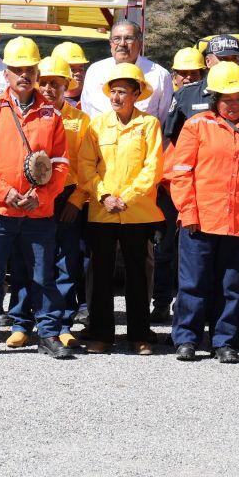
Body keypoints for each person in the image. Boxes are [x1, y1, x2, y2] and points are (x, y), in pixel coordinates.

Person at [169, 61, 239, 364]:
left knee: (232, 286)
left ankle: (224, 341)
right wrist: (188, 211)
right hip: (200, 221)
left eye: (238, 98)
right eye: (226, 99)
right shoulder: (197, 126)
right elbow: (180, 173)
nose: (233, 105)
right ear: (214, 99)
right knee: (193, 284)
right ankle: (187, 339)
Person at [0, 37, 73, 359]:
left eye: (29, 69)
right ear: (6, 73)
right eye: (16, 70)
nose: (23, 75)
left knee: (43, 276)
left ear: (37, 72)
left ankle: (48, 333)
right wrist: (6, 193)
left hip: (38, 213)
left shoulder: (51, 116)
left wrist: (41, 195)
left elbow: (61, 163)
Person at [77, 62, 162, 354]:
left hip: (137, 213)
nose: (116, 97)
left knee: (137, 275)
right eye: (113, 91)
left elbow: (153, 168)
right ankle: (101, 335)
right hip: (102, 211)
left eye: (123, 92)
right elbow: (86, 166)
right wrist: (103, 196)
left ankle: (139, 335)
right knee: (100, 275)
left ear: (137, 94)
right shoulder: (97, 125)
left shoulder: (149, 125)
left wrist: (127, 196)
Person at [6, 53, 90, 349]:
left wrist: (77, 199)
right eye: (44, 83)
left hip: (67, 196)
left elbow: (89, 165)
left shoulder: (81, 121)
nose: (49, 89)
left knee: (66, 261)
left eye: (56, 83)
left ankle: (63, 322)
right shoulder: (31, 115)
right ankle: (21, 321)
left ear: (67, 85)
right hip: (34, 195)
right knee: (26, 259)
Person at [80, 20, 173, 121]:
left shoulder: (159, 75)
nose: (122, 43)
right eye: (117, 38)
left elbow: (165, 119)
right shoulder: (95, 71)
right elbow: (86, 110)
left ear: (140, 43)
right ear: (111, 43)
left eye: (129, 38)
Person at [51, 41, 89, 105]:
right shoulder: (45, 102)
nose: (78, 73)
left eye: (81, 68)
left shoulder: (93, 98)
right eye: (72, 69)